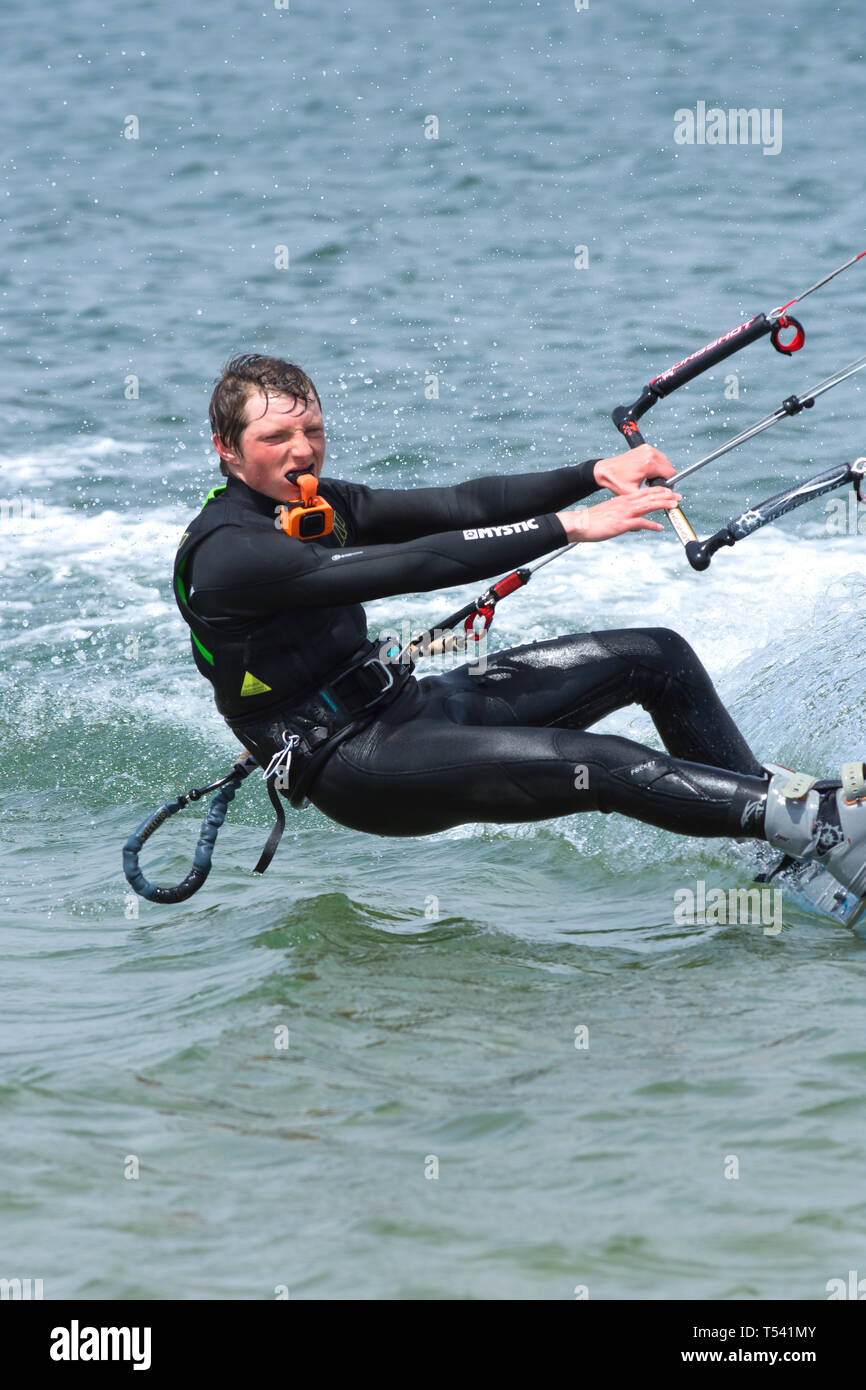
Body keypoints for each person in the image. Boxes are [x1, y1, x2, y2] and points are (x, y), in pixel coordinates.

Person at [172, 354, 866, 903]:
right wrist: (569, 526)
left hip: (402, 708)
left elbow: (458, 503)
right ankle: (821, 828)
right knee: (598, 760)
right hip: (356, 764)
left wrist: (594, 473)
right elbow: (414, 565)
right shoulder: (232, 553)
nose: (304, 450)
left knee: (656, 656)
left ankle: (774, 842)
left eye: (312, 430)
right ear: (227, 451)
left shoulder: (313, 504)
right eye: (277, 437)